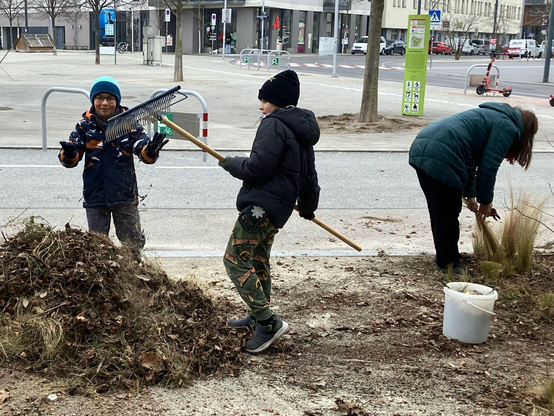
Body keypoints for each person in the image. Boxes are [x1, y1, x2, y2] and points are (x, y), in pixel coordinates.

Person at [218, 70, 320, 353]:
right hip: (278, 211)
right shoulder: (302, 131)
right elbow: (309, 176)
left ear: (278, 101)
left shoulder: (272, 125)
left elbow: (258, 167)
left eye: (264, 101)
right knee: (257, 259)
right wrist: (308, 207)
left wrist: (232, 164)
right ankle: (256, 312)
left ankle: (267, 322)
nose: (261, 106)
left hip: (259, 207)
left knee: (235, 260)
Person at [409, 102, 538, 275]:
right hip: (442, 152)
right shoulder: (507, 127)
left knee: (439, 211)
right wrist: (486, 202)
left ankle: (447, 254)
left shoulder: (492, 116)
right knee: (447, 213)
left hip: (422, 146)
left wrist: (470, 194)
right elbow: (488, 167)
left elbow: (470, 159)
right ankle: (448, 263)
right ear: (527, 131)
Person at [58, 76, 168, 262]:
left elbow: (142, 150)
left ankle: (133, 279)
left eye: (110, 98)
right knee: (96, 248)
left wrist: (150, 151)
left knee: (132, 245)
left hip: (124, 195)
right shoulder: (84, 126)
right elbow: (72, 159)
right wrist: (68, 154)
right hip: (95, 196)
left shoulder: (129, 124)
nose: (105, 103)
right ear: (93, 100)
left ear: (117, 101)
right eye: (99, 98)